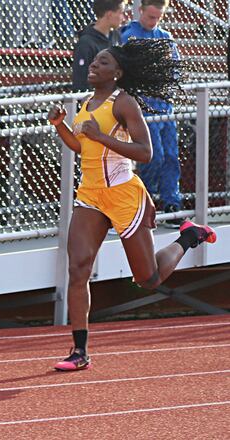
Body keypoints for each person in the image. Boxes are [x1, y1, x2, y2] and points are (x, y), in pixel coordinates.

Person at [47, 38, 217, 371]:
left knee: (148, 278)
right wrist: (60, 126)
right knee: (77, 269)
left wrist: (101, 136)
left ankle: (189, 236)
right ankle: (80, 352)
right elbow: (83, 149)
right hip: (91, 195)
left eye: (103, 62)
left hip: (124, 194)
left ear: (118, 72)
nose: (94, 65)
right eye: (94, 61)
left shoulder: (124, 103)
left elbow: (145, 152)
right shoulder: (85, 103)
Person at [121, 0, 181, 227]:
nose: (153, 22)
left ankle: (171, 201)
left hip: (164, 105)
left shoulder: (166, 36)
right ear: (141, 11)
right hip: (143, 107)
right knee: (152, 156)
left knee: (170, 156)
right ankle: (144, 199)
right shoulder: (129, 35)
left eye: (158, 17)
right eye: (150, 17)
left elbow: (174, 70)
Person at [72, 0, 126, 92]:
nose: (123, 18)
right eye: (121, 13)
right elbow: (81, 82)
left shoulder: (116, 36)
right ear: (109, 14)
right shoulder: (86, 43)